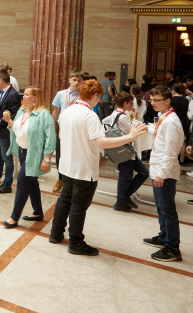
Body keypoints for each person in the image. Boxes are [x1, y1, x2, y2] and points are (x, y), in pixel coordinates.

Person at [49, 80, 145, 256]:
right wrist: (129, 136)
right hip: (83, 167)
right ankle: (76, 243)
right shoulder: (89, 115)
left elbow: (61, 134)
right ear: (94, 95)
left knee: (65, 200)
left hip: (67, 165)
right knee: (78, 206)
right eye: (99, 96)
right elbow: (101, 142)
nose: (99, 100)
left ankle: (55, 234)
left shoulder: (68, 110)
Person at [1, 87, 56, 228]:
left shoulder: (44, 115)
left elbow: (51, 139)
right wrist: (9, 121)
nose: (23, 97)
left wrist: (47, 158)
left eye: (26, 95)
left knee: (22, 181)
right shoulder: (22, 111)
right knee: (32, 183)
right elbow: (17, 129)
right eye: (23, 94)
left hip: (35, 155)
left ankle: (14, 218)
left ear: (35, 97)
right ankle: (38, 212)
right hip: (22, 151)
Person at [142, 86, 185, 262]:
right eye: (151, 100)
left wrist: (161, 174)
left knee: (168, 210)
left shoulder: (171, 122)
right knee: (160, 207)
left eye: (156, 100)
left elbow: (170, 152)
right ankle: (163, 236)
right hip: (158, 169)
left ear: (168, 100)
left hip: (164, 172)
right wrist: (146, 128)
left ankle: (173, 248)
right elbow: (159, 132)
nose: (152, 103)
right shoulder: (163, 118)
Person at [103, 92, 149, 212]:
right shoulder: (122, 117)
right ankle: (121, 201)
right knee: (126, 176)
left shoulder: (115, 113)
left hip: (124, 149)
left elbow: (104, 121)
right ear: (125, 103)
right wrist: (135, 118)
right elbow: (133, 131)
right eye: (130, 102)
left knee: (140, 173)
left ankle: (123, 197)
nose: (132, 105)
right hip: (126, 150)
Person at [50, 70, 85, 193]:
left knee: (74, 155)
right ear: (69, 80)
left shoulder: (84, 95)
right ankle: (60, 179)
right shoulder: (61, 94)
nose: (76, 82)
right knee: (60, 155)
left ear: (83, 82)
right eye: (74, 80)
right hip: (63, 128)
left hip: (77, 130)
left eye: (79, 80)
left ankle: (72, 180)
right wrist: (50, 127)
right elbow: (56, 112)